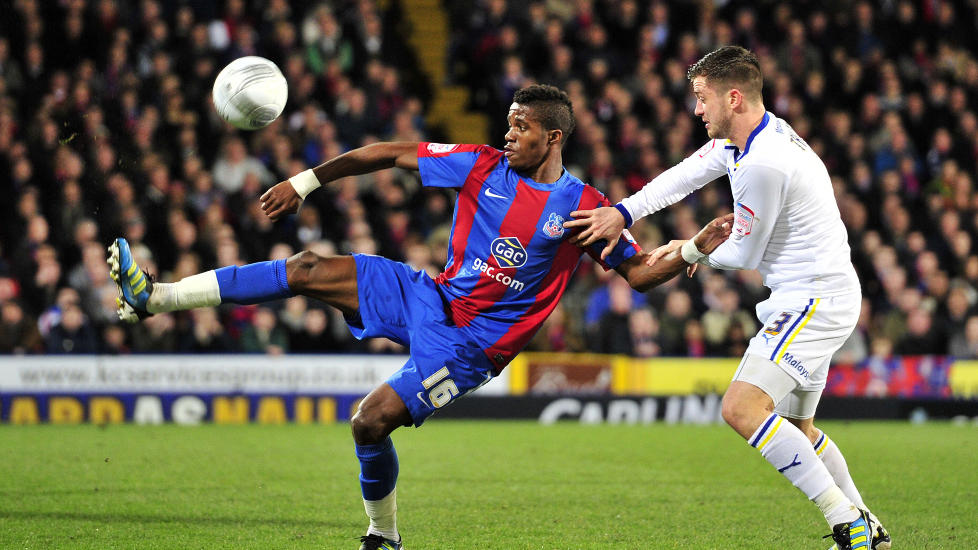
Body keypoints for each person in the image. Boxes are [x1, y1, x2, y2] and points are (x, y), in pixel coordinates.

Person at [108, 84, 732, 550]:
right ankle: (154, 298)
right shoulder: (481, 164)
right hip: (430, 296)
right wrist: (305, 183)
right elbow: (386, 154)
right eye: (508, 124)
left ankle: (383, 535)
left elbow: (639, 273)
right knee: (305, 267)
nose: (508, 135)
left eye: (521, 128)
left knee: (369, 423)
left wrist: (695, 249)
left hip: (470, 346)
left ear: (553, 138)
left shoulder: (583, 207)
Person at [563, 46, 890, 550]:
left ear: (733, 98)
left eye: (702, 97)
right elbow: (683, 176)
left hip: (813, 299)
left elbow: (744, 253)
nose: (696, 109)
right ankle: (869, 524)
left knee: (741, 408)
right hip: (821, 294)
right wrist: (623, 213)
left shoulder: (765, 163)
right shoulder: (749, 139)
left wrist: (690, 249)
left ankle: (849, 524)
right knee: (799, 427)